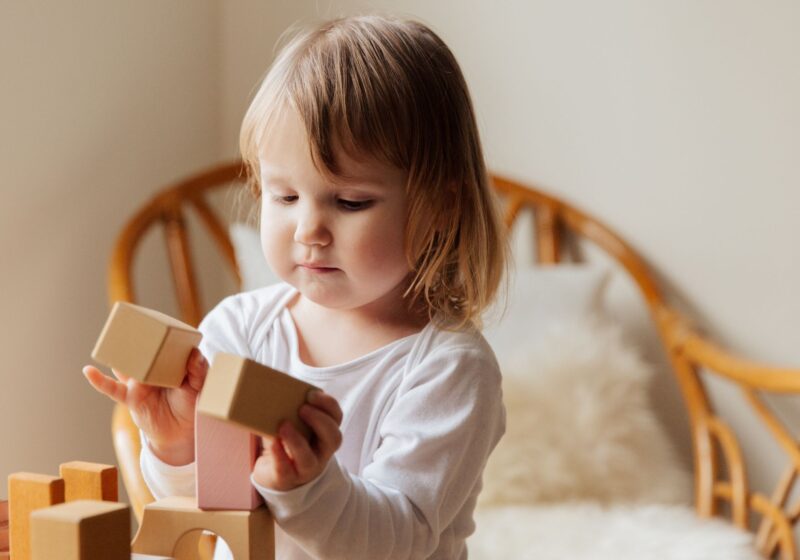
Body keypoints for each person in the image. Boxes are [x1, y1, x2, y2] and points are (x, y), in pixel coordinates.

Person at [84, 14, 508, 560]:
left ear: (441, 207)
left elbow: (397, 540)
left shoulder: (449, 368)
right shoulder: (237, 328)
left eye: (350, 201)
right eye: (284, 197)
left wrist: (307, 488)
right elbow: (207, 515)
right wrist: (175, 446)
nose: (309, 230)